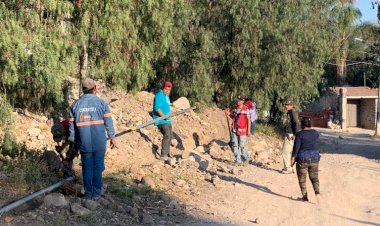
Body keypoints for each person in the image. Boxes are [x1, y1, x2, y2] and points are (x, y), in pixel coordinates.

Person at [69, 78, 116, 200]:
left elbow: (72, 128)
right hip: (99, 142)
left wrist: (74, 142)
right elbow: (109, 123)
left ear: (83, 90)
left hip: (84, 143)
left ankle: (88, 193)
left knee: (87, 167)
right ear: (95, 89)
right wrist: (112, 137)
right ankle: (97, 193)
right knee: (98, 166)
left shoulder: (75, 105)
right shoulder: (102, 103)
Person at [291, 117, 321, 202]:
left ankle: (305, 197)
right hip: (315, 158)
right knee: (314, 177)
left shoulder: (299, 134)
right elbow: (315, 139)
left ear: (302, 124)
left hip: (302, 159)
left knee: (302, 179)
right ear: (310, 124)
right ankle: (317, 193)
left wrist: (293, 158)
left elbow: (296, 148)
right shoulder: (315, 133)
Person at [153, 81, 173, 162]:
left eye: (169, 90)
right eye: (166, 89)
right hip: (161, 120)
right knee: (167, 135)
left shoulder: (166, 96)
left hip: (167, 120)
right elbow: (157, 108)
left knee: (170, 136)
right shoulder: (159, 95)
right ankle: (163, 155)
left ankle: (167, 154)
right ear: (163, 88)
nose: (167, 91)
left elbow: (167, 105)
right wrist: (164, 116)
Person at [230, 95, 251, 165]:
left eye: (239, 100)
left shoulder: (246, 109)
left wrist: (248, 130)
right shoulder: (235, 109)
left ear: (243, 101)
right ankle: (238, 160)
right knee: (234, 145)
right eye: (237, 100)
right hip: (234, 130)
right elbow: (232, 115)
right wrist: (228, 114)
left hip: (242, 130)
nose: (238, 101)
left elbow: (248, 120)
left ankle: (246, 158)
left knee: (242, 146)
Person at [281, 100, 301, 174]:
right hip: (288, 133)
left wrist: (295, 134)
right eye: (286, 104)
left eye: (288, 105)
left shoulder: (293, 112)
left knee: (285, 151)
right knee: (288, 152)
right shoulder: (289, 112)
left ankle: (288, 168)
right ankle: (289, 167)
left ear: (292, 105)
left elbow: (297, 123)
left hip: (291, 134)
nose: (286, 106)